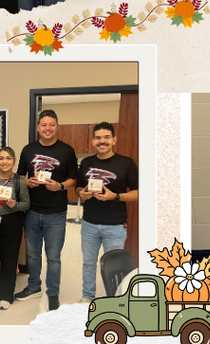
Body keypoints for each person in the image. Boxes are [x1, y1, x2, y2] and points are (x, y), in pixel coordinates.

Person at [15, 110, 78, 310]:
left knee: (53, 257)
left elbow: (74, 180)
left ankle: (53, 292)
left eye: (51, 124)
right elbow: (19, 176)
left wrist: (60, 186)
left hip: (57, 213)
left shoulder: (67, 150)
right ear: (38, 127)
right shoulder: (28, 149)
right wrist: (29, 181)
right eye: (44, 125)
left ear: (57, 126)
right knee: (33, 255)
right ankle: (34, 287)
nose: (47, 128)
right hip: (32, 211)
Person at [76, 122, 139, 303]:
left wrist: (115, 196)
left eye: (106, 137)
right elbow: (79, 188)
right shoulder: (87, 163)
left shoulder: (126, 163)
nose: (101, 141)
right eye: (97, 138)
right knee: (88, 264)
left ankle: (116, 298)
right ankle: (88, 296)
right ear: (93, 140)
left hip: (115, 226)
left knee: (114, 266)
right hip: (89, 224)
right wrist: (82, 194)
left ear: (114, 140)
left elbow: (139, 192)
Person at [0, 146, 31, 310]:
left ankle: (6, 295)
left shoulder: (19, 181)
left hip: (11, 222)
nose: (5, 161)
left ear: (14, 161)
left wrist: (14, 204)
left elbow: (26, 204)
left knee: (9, 260)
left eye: (8, 158)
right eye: (1, 158)